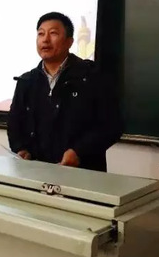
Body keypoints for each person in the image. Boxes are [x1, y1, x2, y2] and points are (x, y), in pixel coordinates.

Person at [7, 12, 123, 172]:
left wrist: (79, 152)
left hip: (83, 174)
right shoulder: (27, 81)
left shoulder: (92, 76)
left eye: (53, 33)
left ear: (69, 41)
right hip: (36, 173)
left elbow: (112, 125)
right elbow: (14, 123)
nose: (45, 39)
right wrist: (21, 148)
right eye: (41, 34)